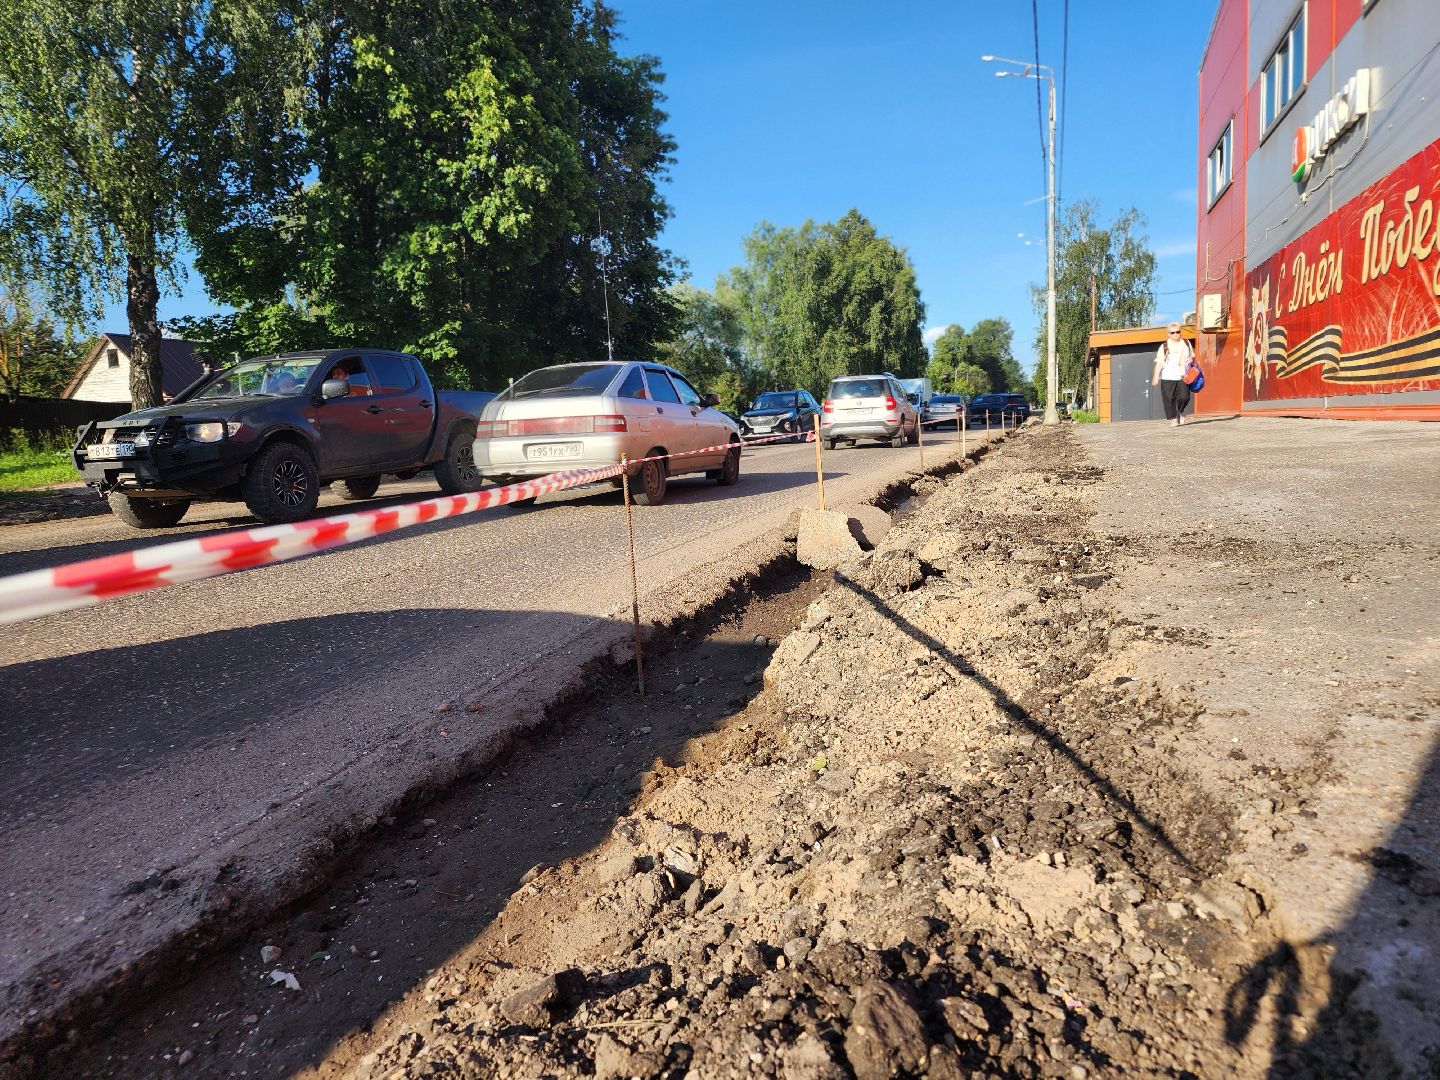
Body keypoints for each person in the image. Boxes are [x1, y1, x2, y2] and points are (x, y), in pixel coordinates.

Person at [1152, 322, 1194, 427]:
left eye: (1178, 332)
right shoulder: (1164, 346)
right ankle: (1173, 419)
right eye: (1173, 332)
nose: (1176, 334)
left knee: (1184, 397)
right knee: (1169, 399)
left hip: (1183, 375)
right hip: (1168, 375)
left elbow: (1192, 355)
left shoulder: (1186, 343)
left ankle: (1180, 411)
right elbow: (1160, 362)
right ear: (1169, 334)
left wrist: (1190, 359)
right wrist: (1156, 376)